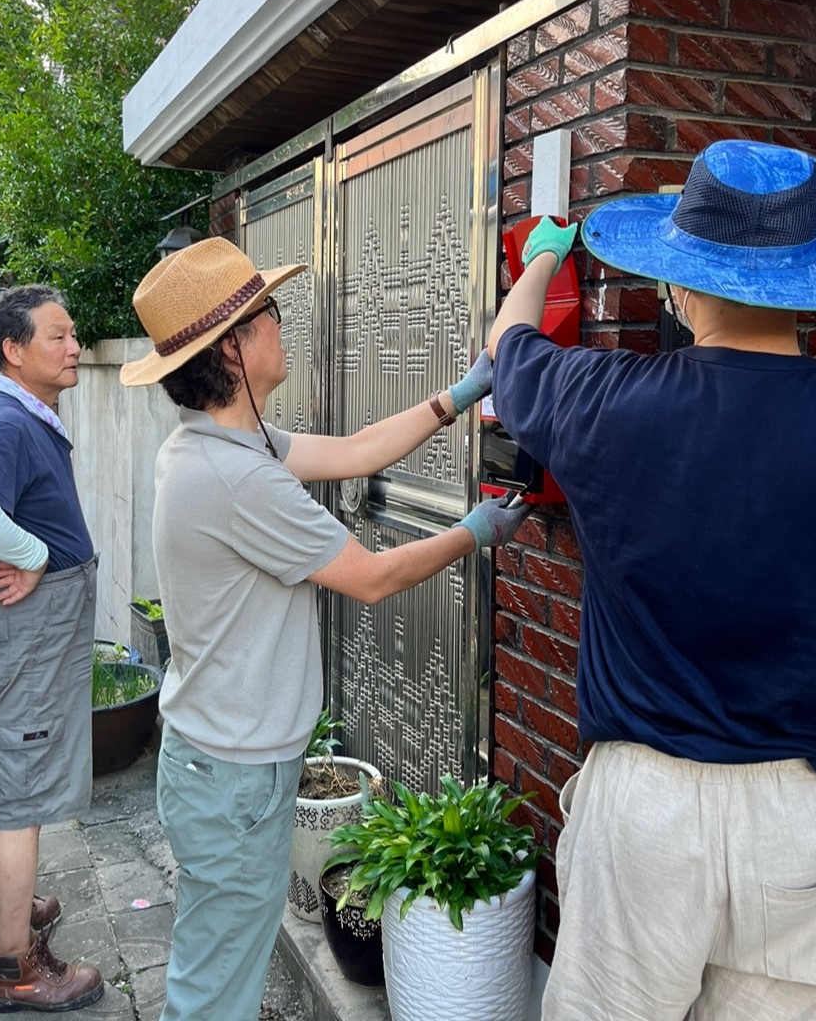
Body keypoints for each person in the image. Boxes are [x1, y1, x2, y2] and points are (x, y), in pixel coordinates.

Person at [487, 139, 816, 1021]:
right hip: (811, 818)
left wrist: (548, 251)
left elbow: (509, 342)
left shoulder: (602, 401)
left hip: (646, 812)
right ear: (808, 288)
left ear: (683, 284)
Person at [118, 236, 530, 1021]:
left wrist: (464, 392)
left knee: (219, 967)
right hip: (233, 776)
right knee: (215, 993)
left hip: (219, 762)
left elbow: (355, 451)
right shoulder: (238, 478)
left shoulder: (219, 445)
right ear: (235, 347)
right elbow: (371, 579)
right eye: (271, 314)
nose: (284, 326)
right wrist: (473, 533)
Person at [0, 285, 104, 1013]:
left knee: (6, 774)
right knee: (21, 795)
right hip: (27, 628)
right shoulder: (6, 417)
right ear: (14, 349)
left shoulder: (6, 411)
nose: (75, 348)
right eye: (59, 337)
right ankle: (15, 969)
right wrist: (34, 552)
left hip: (27, 629)